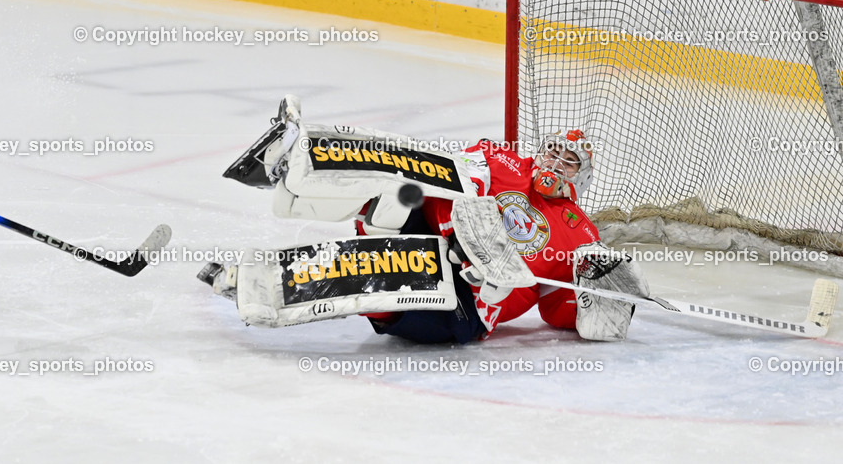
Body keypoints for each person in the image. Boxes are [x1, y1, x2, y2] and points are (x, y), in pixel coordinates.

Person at [205, 98, 649, 343]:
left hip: (466, 304)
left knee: (383, 271)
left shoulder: (582, 233)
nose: (555, 162)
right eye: (552, 151)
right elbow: (453, 173)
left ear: (581, 177)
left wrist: (605, 299)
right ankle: (298, 168)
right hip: (431, 232)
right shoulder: (505, 161)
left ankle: (256, 284)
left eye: (568, 161)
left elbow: (556, 309)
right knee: (399, 187)